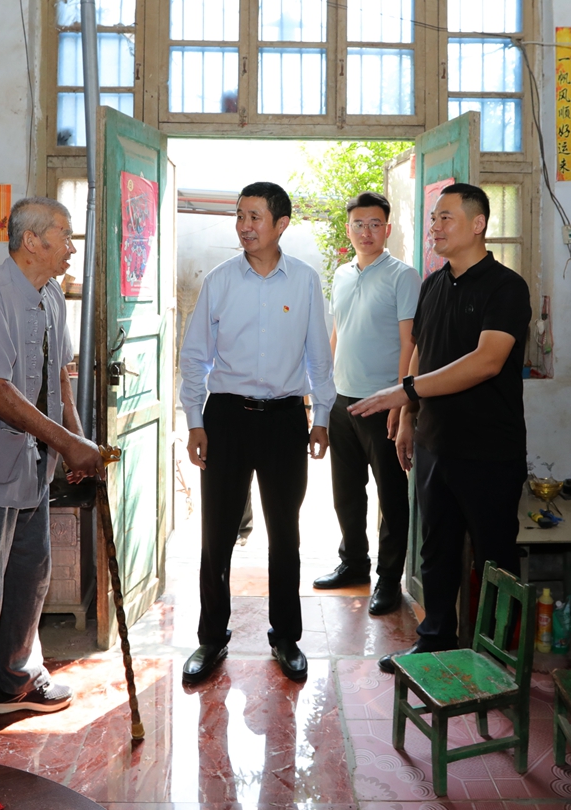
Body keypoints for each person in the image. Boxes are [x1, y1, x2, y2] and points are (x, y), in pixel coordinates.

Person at [0, 197, 104, 760]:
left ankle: (17, 682)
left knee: (31, 578)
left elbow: (61, 376)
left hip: (31, 467)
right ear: (32, 240)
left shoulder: (50, 295)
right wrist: (68, 444)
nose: (71, 247)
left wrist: (75, 440)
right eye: (64, 235)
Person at [349, 183, 531, 673]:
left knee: (494, 557)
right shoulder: (432, 285)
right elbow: (421, 352)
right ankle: (434, 642)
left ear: (478, 224)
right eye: (433, 218)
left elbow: (487, 361)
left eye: (446, 217)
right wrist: (409, 416)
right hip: (435, 443)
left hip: (488, 449)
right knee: (437, 549)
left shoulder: (506, 287)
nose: (435, 227)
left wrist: (404, 392)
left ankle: (497, 659)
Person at [179, 181, 335, 685]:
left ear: (281, 224)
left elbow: (318, 356)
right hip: (226, 417)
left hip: (286, 418)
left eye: (255, 217)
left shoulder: (305, 281)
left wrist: (322, 416)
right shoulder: (220, 280)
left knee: (285, 533)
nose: (245, 226)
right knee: (217, 534)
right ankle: (211, 637)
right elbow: (195, 356)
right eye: (240, 216)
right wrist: (195, 420)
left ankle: (286, 637)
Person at [312, 191, 419, 616]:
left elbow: (410, 343)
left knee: (391, 497)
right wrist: (324, 392)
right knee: (346, 493)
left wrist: (400, 403)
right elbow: (338, 332)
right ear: (348, 229)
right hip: (342, 401)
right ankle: (353, 563)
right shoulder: (341, 275)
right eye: (359, 224)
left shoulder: (403, 276)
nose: (366, 232)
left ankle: (389, 579)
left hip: (382, 401)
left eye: (375, 224)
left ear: (387, 229)